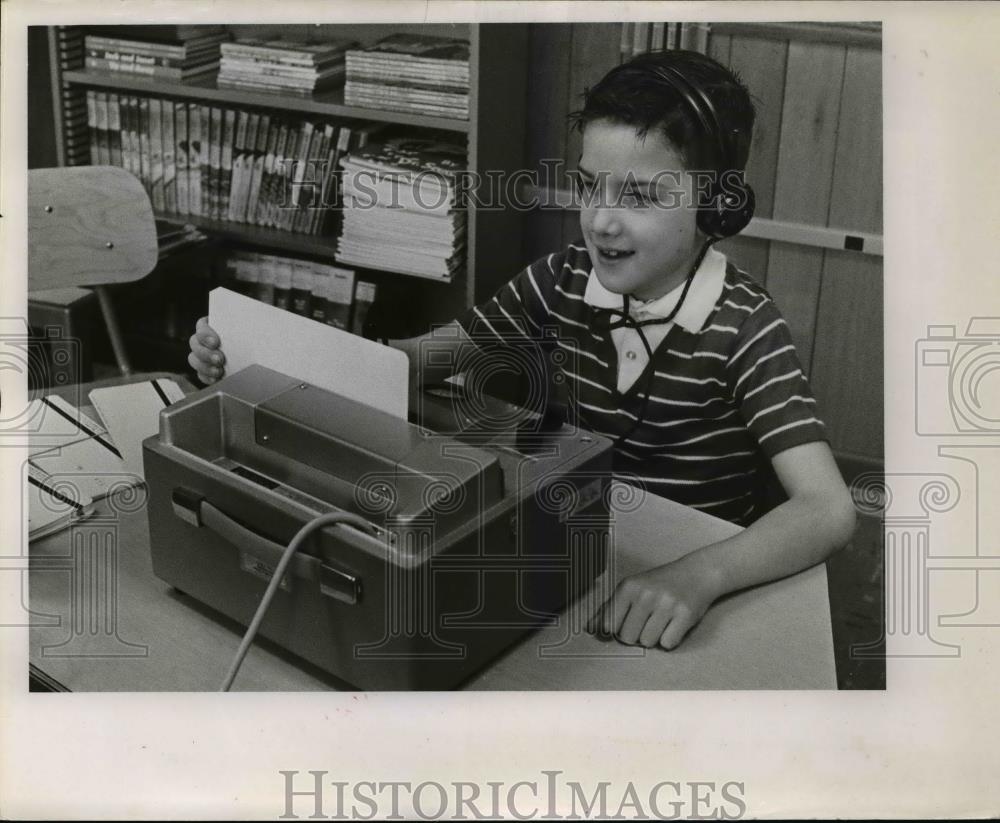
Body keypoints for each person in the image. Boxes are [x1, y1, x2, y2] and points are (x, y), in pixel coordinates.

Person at [189, 49, 856, 652]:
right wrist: (255, 359)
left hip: (685, 594)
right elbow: (408, 361)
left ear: (715, 206)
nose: (600, 219)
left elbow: (827, 509)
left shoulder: (747, 325)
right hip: (572, 561)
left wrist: (698, 573)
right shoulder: (562, 277)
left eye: (642, 195)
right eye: (590, 184)